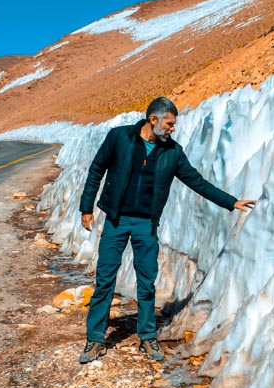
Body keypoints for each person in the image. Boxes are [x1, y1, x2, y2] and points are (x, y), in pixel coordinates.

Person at [78, 97, 256, 364]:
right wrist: (86, 208)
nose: (173, 128)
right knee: (105, 279)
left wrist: (231, 201)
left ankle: (148, 337)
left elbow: (196, 181)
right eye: (170, 123)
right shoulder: (120, 137)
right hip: (116, 219)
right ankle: (95, 339)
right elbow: (96, 170)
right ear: (154, 120)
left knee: (147, 282)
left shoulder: (172, 152)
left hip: (145, 224)